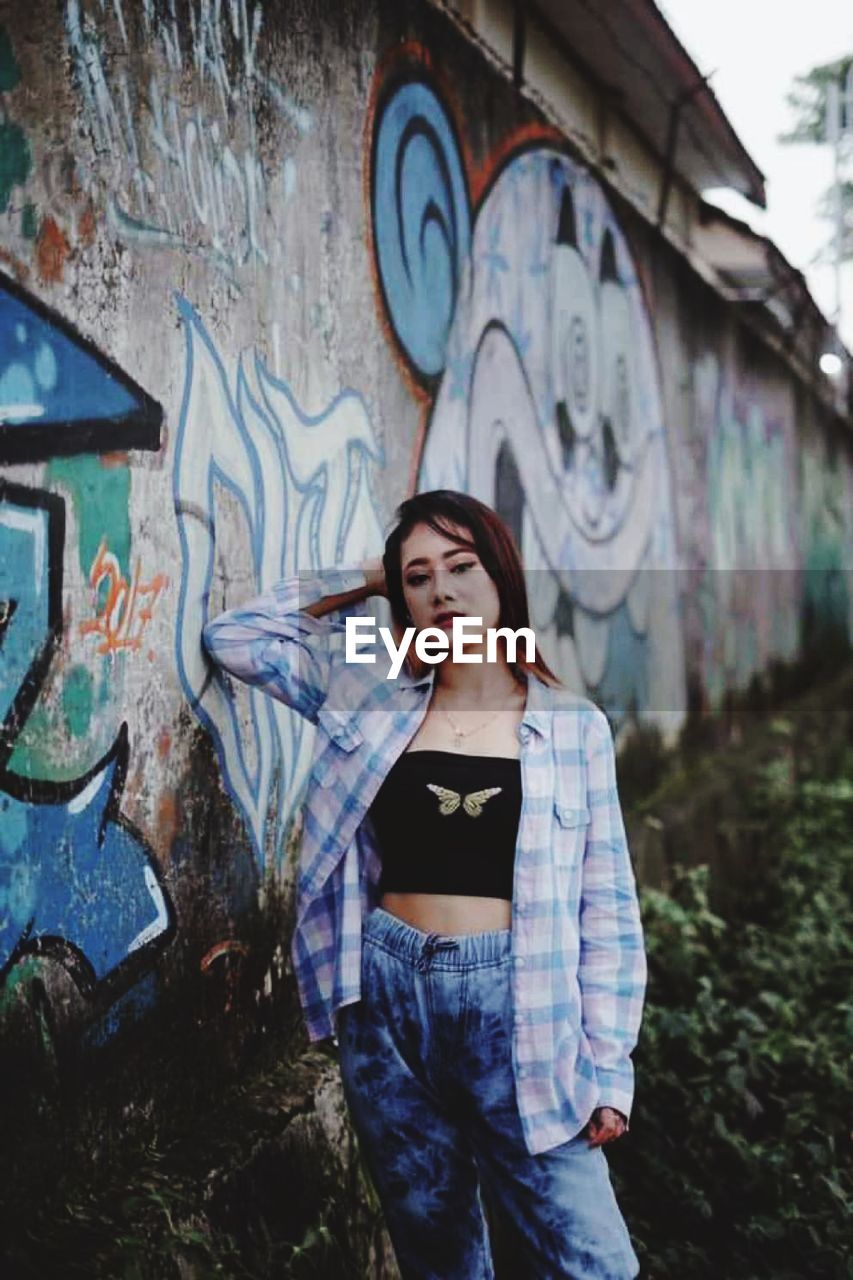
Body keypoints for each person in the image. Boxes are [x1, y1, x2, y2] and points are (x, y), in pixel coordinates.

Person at [203, 489, 647, 1279]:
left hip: (517, 1008)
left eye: (461, 566)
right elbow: (234, 637)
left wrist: (608, 1068)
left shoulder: (572, 726)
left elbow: (606, 908)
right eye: (417, 577)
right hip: (386, 1001)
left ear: (501, 578)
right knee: (436, 1252)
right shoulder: (371, 703)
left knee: (593, 1263)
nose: (441, 589)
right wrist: (368, 575)